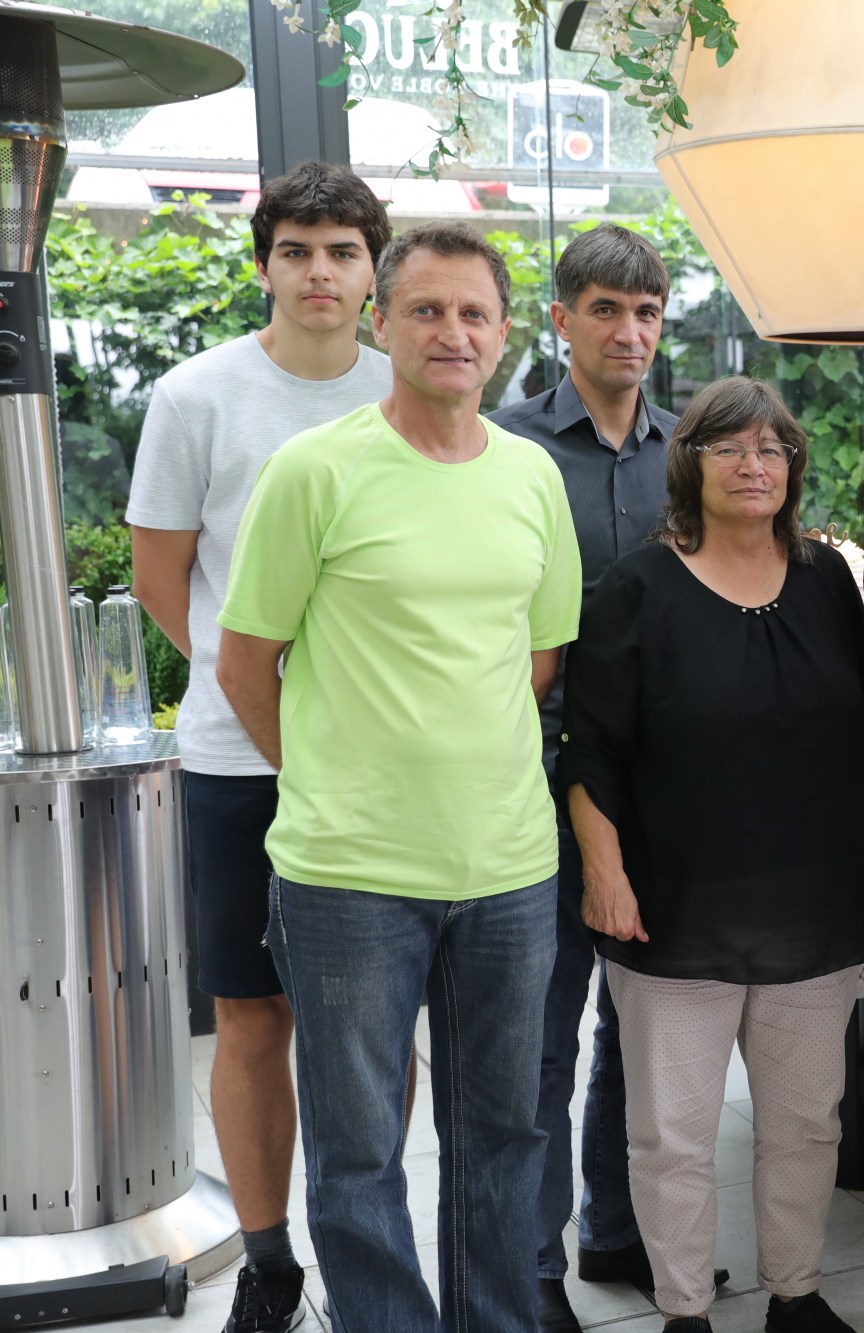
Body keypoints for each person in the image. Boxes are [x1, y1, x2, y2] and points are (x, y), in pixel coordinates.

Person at [215, 221, 582, 1333]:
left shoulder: (531, 476)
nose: (451, 332)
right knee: (359, 1149)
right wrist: (333, 779)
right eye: (425, 309)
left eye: (474, 313)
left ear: (505, 335)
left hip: (509, 867)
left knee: (504, 1132)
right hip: (349, 875)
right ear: (382, 325)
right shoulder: (314, 471)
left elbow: (537, 659)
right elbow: (245, 663)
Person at [561, 377, 864, 1333]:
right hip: (674, 909)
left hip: (811, 901)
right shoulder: (637, 587)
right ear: (691, 462)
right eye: (730, 447)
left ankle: (797, 1294)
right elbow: (589, 751)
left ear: (793, 465)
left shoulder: (827, 579)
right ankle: (685, 1310)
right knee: (671, 1135)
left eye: (772, 448)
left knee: (805, 1123)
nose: (754, 465)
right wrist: (605, 874)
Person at [127, 160, 392, 1333]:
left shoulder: (407, 392)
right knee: (252, 1013)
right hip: (239, 762)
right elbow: (161, 576)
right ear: (266, 266)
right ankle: (271, 1258)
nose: (319, 272)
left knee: (375, 1021)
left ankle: (370, 1246)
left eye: (341, 251)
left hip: (386, 761)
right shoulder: (198, 397)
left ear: (371, 270)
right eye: (297, 250)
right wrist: (256, 687)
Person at [485, 223, 680, 1332]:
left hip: (659, 786)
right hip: (533, 779)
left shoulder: (689, 453)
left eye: (646, 311)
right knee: (539, 1041)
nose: (629, 332)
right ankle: (531, 1268)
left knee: (640, 1029)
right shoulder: (503, 448)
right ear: (561, 320)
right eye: (606, 309)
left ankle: (618, 1229)